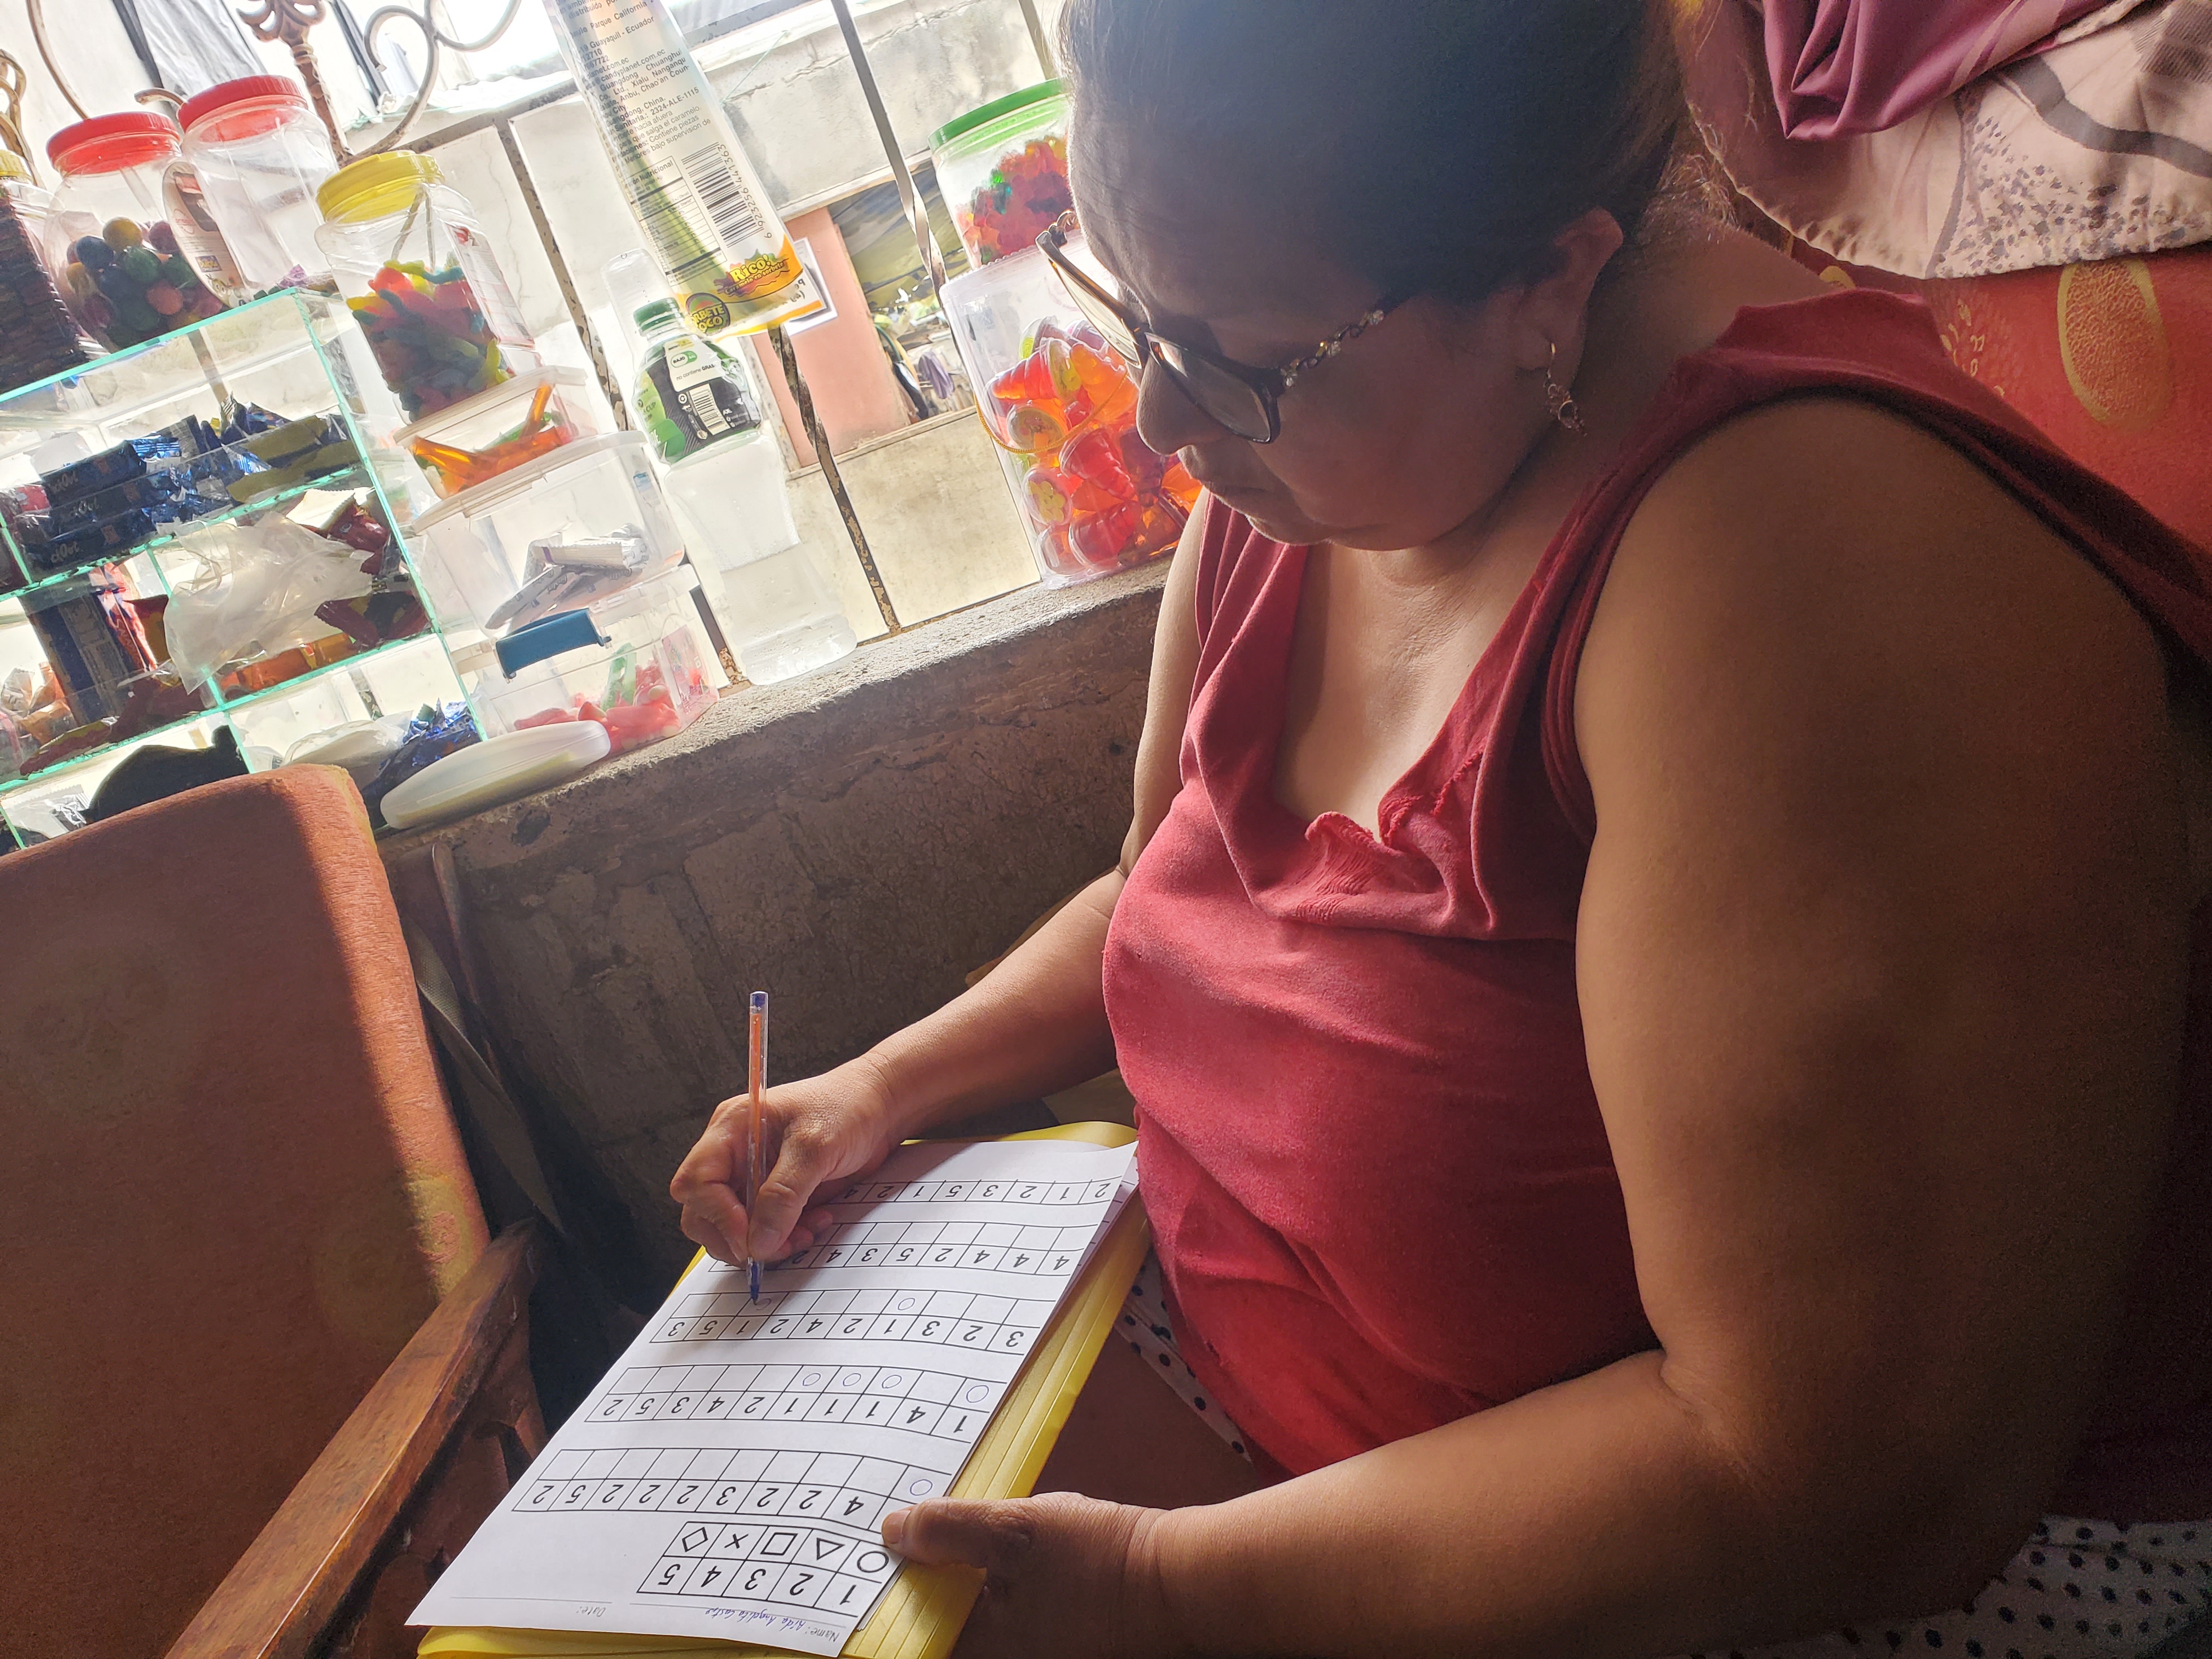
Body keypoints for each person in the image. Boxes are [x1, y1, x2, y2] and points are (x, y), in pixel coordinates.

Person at [672, 2, 2212, 1653]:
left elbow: (1835, 1483)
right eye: (1133, 310)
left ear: (1551, 277)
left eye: (1236, 354)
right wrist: (882, 1087)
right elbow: (1169, 889)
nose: (1160, 425)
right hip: (1278, 1439)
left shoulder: (1815, 584)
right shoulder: (1321, 461)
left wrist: (1164, 1589)